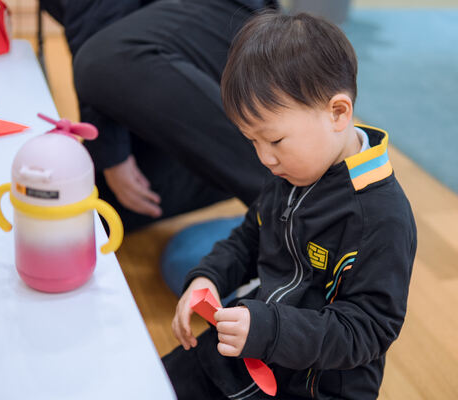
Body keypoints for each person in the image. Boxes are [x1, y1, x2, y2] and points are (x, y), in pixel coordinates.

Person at [163, 12, 418, 400]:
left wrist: (270, 330)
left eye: (276, 141)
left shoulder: (381, 217)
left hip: (314, 384)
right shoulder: (291, 171)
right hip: (252, 343)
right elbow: (250, 237)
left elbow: (367, 330)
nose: (264, 158)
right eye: (253, 142)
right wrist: (209, 277)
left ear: (337, 113)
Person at [40, 0, 277, 232]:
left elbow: (98, 41)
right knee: (82, 207)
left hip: (226, 23)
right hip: (165, 57)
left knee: (104, 58)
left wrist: (112, 155)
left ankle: (300, 209)